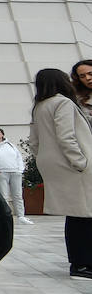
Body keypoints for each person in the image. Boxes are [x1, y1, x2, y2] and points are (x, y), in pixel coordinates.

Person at [30, 69, 92, 280]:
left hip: (55, 165)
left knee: (76, 215)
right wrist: (80, 162)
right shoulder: (63, 103)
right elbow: (67, 137)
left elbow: (34, 142)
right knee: (84, 215)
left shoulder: (40, 106)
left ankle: (80, 263)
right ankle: (82, 264)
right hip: (74, 166)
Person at [0, 127, 32, 226]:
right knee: (3, 195)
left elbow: (18, 157)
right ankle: (5, 216)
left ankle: (21, 216)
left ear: (2, 134)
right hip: (1, 173)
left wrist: (20, 170)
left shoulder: (10, 145)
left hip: (15, 172)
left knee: (17, 195)